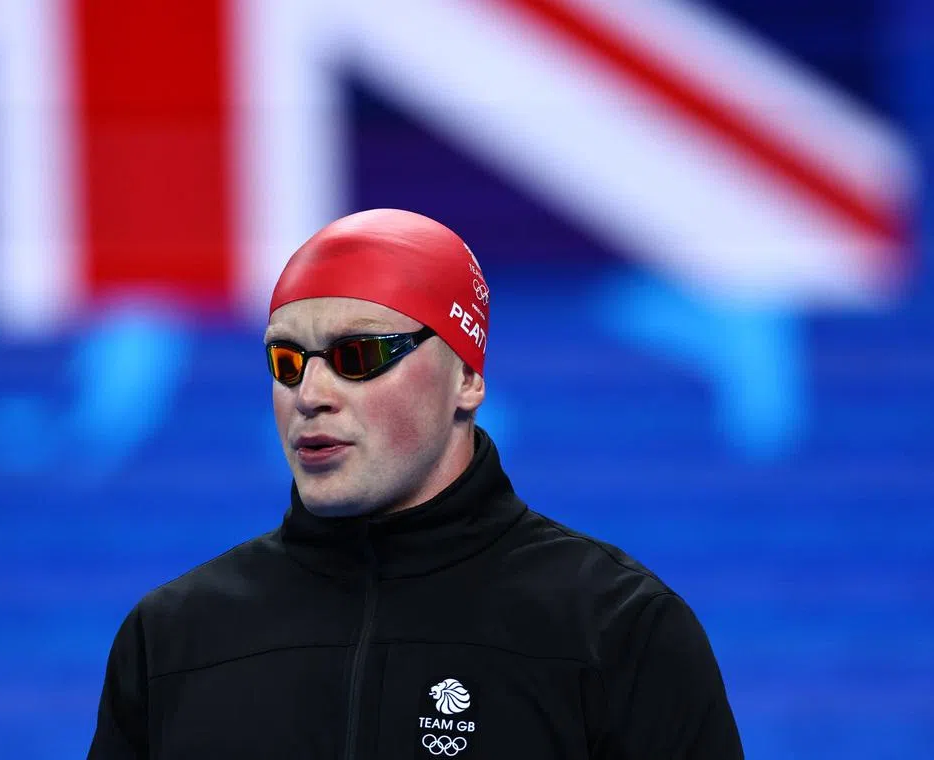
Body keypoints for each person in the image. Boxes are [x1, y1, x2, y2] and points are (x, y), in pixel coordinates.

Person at [86, 208, 744, 759]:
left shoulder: (616, 630)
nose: (310, 394)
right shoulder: (173, 639)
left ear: (467, 379)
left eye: (359, 356)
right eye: (286, 361)